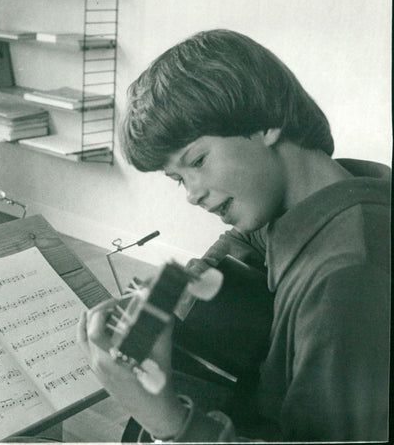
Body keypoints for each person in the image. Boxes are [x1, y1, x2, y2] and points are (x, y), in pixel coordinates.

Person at [77, 29, 390, 442]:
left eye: (198, 161)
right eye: (178, 179)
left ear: (266, 124)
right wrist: (170, 293)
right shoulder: (335, 190)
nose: (192, 194)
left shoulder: (346, 278)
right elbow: (249, 242)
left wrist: (168, 421)